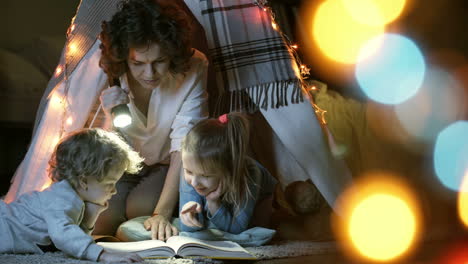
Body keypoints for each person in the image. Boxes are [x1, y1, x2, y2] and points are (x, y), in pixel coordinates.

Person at [93, 0, 209, 240]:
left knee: (141, 211)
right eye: (138, 63)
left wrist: (162, 214)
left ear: (172, 54)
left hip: (167, 164)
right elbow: (101, 149)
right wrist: (109, 117)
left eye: (160, 61)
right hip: (123, 163)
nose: (150, 73)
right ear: (125, 58)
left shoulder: (195, 67)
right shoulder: (108, 71)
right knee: (100, 220)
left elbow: (184, 142)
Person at [0, 128, 144, 263]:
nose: (114, 191)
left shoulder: (73, 197)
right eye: (110, 184)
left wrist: (90, 215)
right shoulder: (61, 198)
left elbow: (75, 237)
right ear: (83, 180)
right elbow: (63, 234)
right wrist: (103, 255)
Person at [179, 113, 277, 234]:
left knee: (255, 231)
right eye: (188, 171)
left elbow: (237, 229)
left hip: (260, 198)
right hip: (219, 189)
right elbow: (188, 229)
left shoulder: (250, 175)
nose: (194, 182)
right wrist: (191, 214)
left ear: (229, 170)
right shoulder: (191, 167)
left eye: (206, 176)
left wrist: (213, 203)